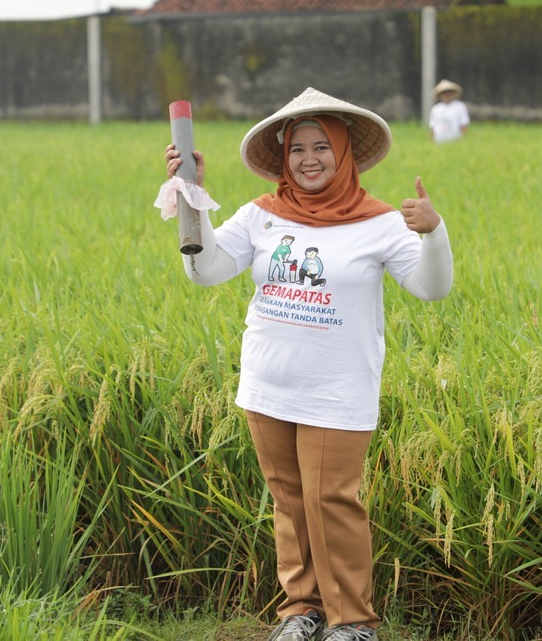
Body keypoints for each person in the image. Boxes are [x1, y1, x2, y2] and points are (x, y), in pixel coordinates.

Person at [161, 87, 453, 641]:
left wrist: (434, 233)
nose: (309, 159)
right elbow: (206, 270)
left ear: (343, 152)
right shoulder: (261, 215)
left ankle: (353, 622)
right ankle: (302, 610)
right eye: (297, 148)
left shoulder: (379, 222)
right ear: (284, 156)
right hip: (267, 383)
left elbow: (431, 287)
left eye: (322, 147)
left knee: (331, 502)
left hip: (337, 389)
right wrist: (190, 195)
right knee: (290, 503)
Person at [428, 79, 470, 144]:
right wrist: (431, 142)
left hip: (455, 141)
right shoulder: (436, 109)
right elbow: (432, 127)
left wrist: (463, 141)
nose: (447, 95)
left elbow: (463, 125)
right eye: (444, 92)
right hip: (439, 142)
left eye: (449, 92)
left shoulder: (460, 107)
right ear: (440, 94)